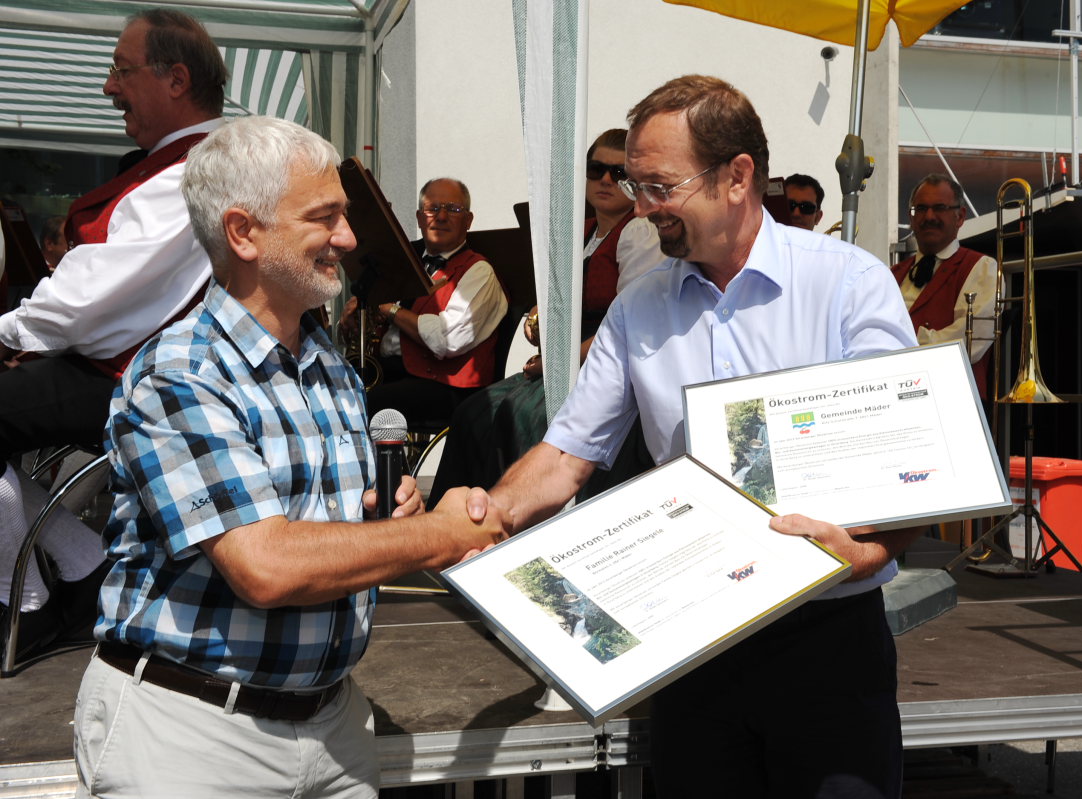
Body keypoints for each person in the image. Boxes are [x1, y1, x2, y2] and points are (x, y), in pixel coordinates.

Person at [466, 75, 920, 798]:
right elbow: (566, 454)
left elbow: (907, 456)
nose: (643, 209)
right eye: (634, 186)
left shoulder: (848, 284)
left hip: (828, 641)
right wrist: (481, 516)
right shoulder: (638, 309)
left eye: (659, 187)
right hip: (692, 640)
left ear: (737, 176)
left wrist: (867, 553)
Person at [73, 116, 507, 798]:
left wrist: (392, 517)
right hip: (193, 738)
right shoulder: (181, 371)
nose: (349, 237)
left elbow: (323, 529)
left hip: (335, 727)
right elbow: (266, 565)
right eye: (324, 216)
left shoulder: (327, 364)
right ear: (243, 232)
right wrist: (437, 534)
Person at [0, 8, 223, 659]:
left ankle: (29, 603)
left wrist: (13, 333)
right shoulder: (183, 163)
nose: (108, 86)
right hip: (127, 365)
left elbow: (97, 297)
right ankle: (81, 567)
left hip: (150, 381)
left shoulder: (196, 169)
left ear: (176, 79)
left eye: (122, 71)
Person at [428, 128, 662, 504]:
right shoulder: (581, 232)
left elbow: (630, 325)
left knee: (521, 418)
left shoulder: (639, 232)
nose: (604, 180)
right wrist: (542, 318)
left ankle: (511, 514)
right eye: (595, 169)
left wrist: (561, 361)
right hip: (568, 359)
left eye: (618, 173)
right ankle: (458, 517)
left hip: (606, 364)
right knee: (475, 412)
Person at [364, 178, 509, 421]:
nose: (441, 217)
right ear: (420, 218)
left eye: (453, 209)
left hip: (450, 389)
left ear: (468, 220)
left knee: (369, 403)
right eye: (432, 209)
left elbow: (447, 340)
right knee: (338, 390)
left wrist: (390, 310)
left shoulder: (479, 271)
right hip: (392, 372)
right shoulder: (404, 260)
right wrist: (362, 312)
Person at [892, 173, 998, 396]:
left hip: (953, 399)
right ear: (911, 217)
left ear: (960, 217)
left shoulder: (982, 268)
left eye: (939, 208)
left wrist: (901, 343)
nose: (929, 216)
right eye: (920, 209)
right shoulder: (892, 274)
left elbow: (969, 343)